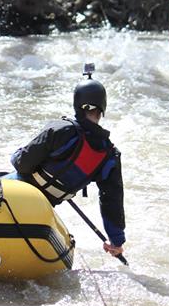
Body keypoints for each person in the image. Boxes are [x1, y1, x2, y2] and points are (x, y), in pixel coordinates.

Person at [9, 78, 125, 256]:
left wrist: (15, 154)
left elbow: (22, 164)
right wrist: (116, 240)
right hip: (44, 207)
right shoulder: (109, 154)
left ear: (77, 104)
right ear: (102, 109)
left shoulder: (60, 129)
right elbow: (112, 199)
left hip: (18, 193)